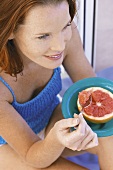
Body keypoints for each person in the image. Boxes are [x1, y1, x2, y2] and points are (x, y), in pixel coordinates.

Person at [0, 0, 112, 170]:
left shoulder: (61, 30)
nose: (60, 45)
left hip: (52, 119)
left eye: (66, 25)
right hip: (10, 146)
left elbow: (90, 88)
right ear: (9, 30)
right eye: (43, 36)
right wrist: (56, 141)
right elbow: (32, 154)